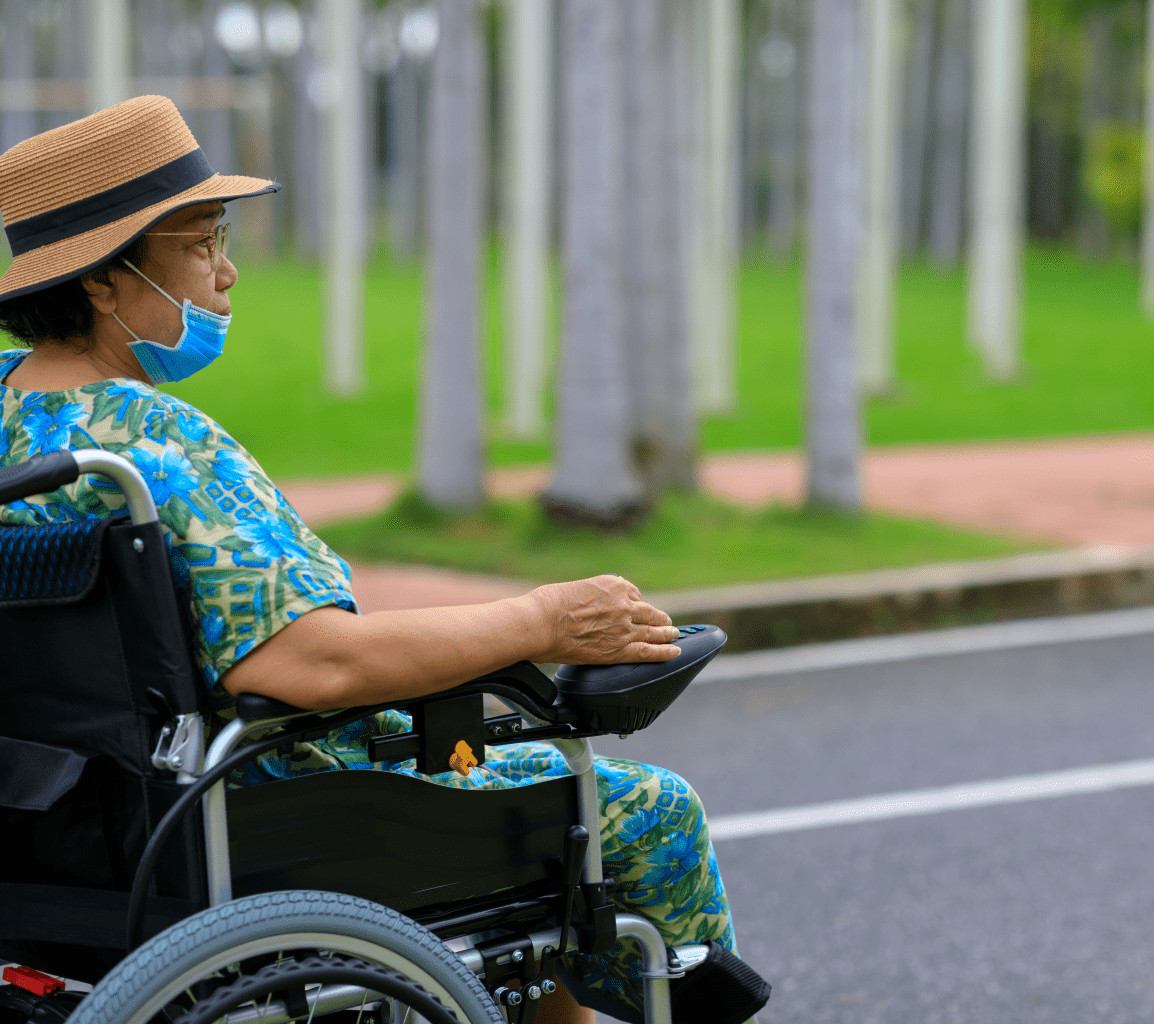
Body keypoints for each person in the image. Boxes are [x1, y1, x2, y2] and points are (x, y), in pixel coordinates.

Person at [0, 95, 736, 1024]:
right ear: (105, 281)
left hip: (51, 822)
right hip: (243, 809)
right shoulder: (154, 435)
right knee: (640, 805)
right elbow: (311, 663)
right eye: (200, 244)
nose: (227, 275)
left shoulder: (9, 420)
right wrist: (546, 620)